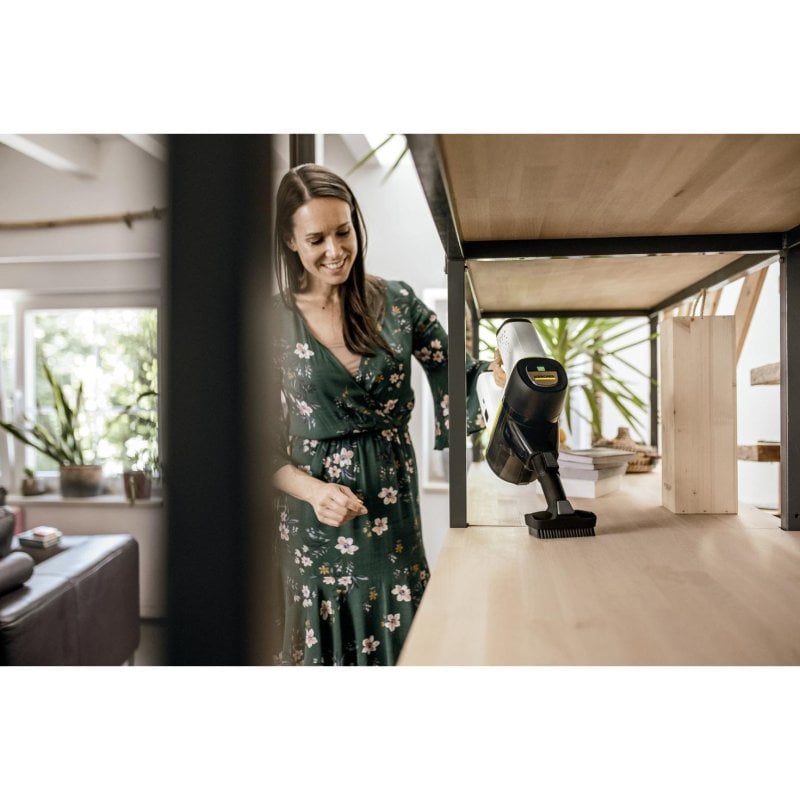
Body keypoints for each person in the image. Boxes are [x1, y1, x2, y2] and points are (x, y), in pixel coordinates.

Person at [270, 163, 488, 666]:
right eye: (316, 239)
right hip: (312, 523)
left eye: (343, 231)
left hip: (392, 515)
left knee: (403, 641)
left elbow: (455, 368)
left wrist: (502, 374)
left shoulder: (397, 301)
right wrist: (315, 492)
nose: (335, 250)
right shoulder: (271, 320)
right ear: (290, 240)